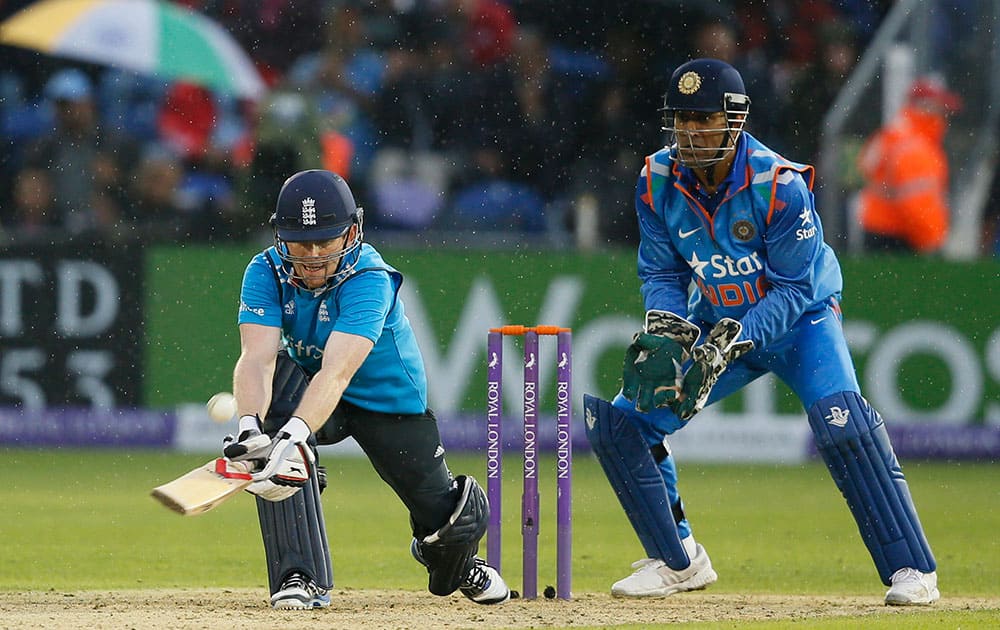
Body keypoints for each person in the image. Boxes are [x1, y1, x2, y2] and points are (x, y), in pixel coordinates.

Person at [583, 59, 939, 606]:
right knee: (625, 423)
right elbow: (662, 271)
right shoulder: (656, 180)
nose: (688, 132)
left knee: (842, 424)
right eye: (680, 119)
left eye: (702, 120)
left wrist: (729, 343)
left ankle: (912, 570)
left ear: (734, 122)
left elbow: (795, 288)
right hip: (718, 315)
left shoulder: (779, 185)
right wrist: (670, 331)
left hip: (801, 323)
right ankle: (677, 561)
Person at [221, 169, 510, 609]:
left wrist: (294, 436)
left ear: (352, 232)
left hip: (386, 403)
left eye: (327, 240)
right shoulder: (264, 270)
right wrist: (250, 430)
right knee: (276, 434)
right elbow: (257, 359)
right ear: (281, 235)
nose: (314, 255)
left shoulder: (370, 278)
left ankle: (452, 555)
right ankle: (298, 576)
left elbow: (337, 373)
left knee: (449, 523)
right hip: (312, 396)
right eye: (302, 242)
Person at [857, 76, 963, 253]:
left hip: (879, 231)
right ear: (926, 106)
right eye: (941, 107)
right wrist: (932, 242)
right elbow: (916, 204)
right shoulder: (915, 147)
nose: (945, 115)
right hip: (902, 239)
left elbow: (866, 166)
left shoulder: (893, 134)